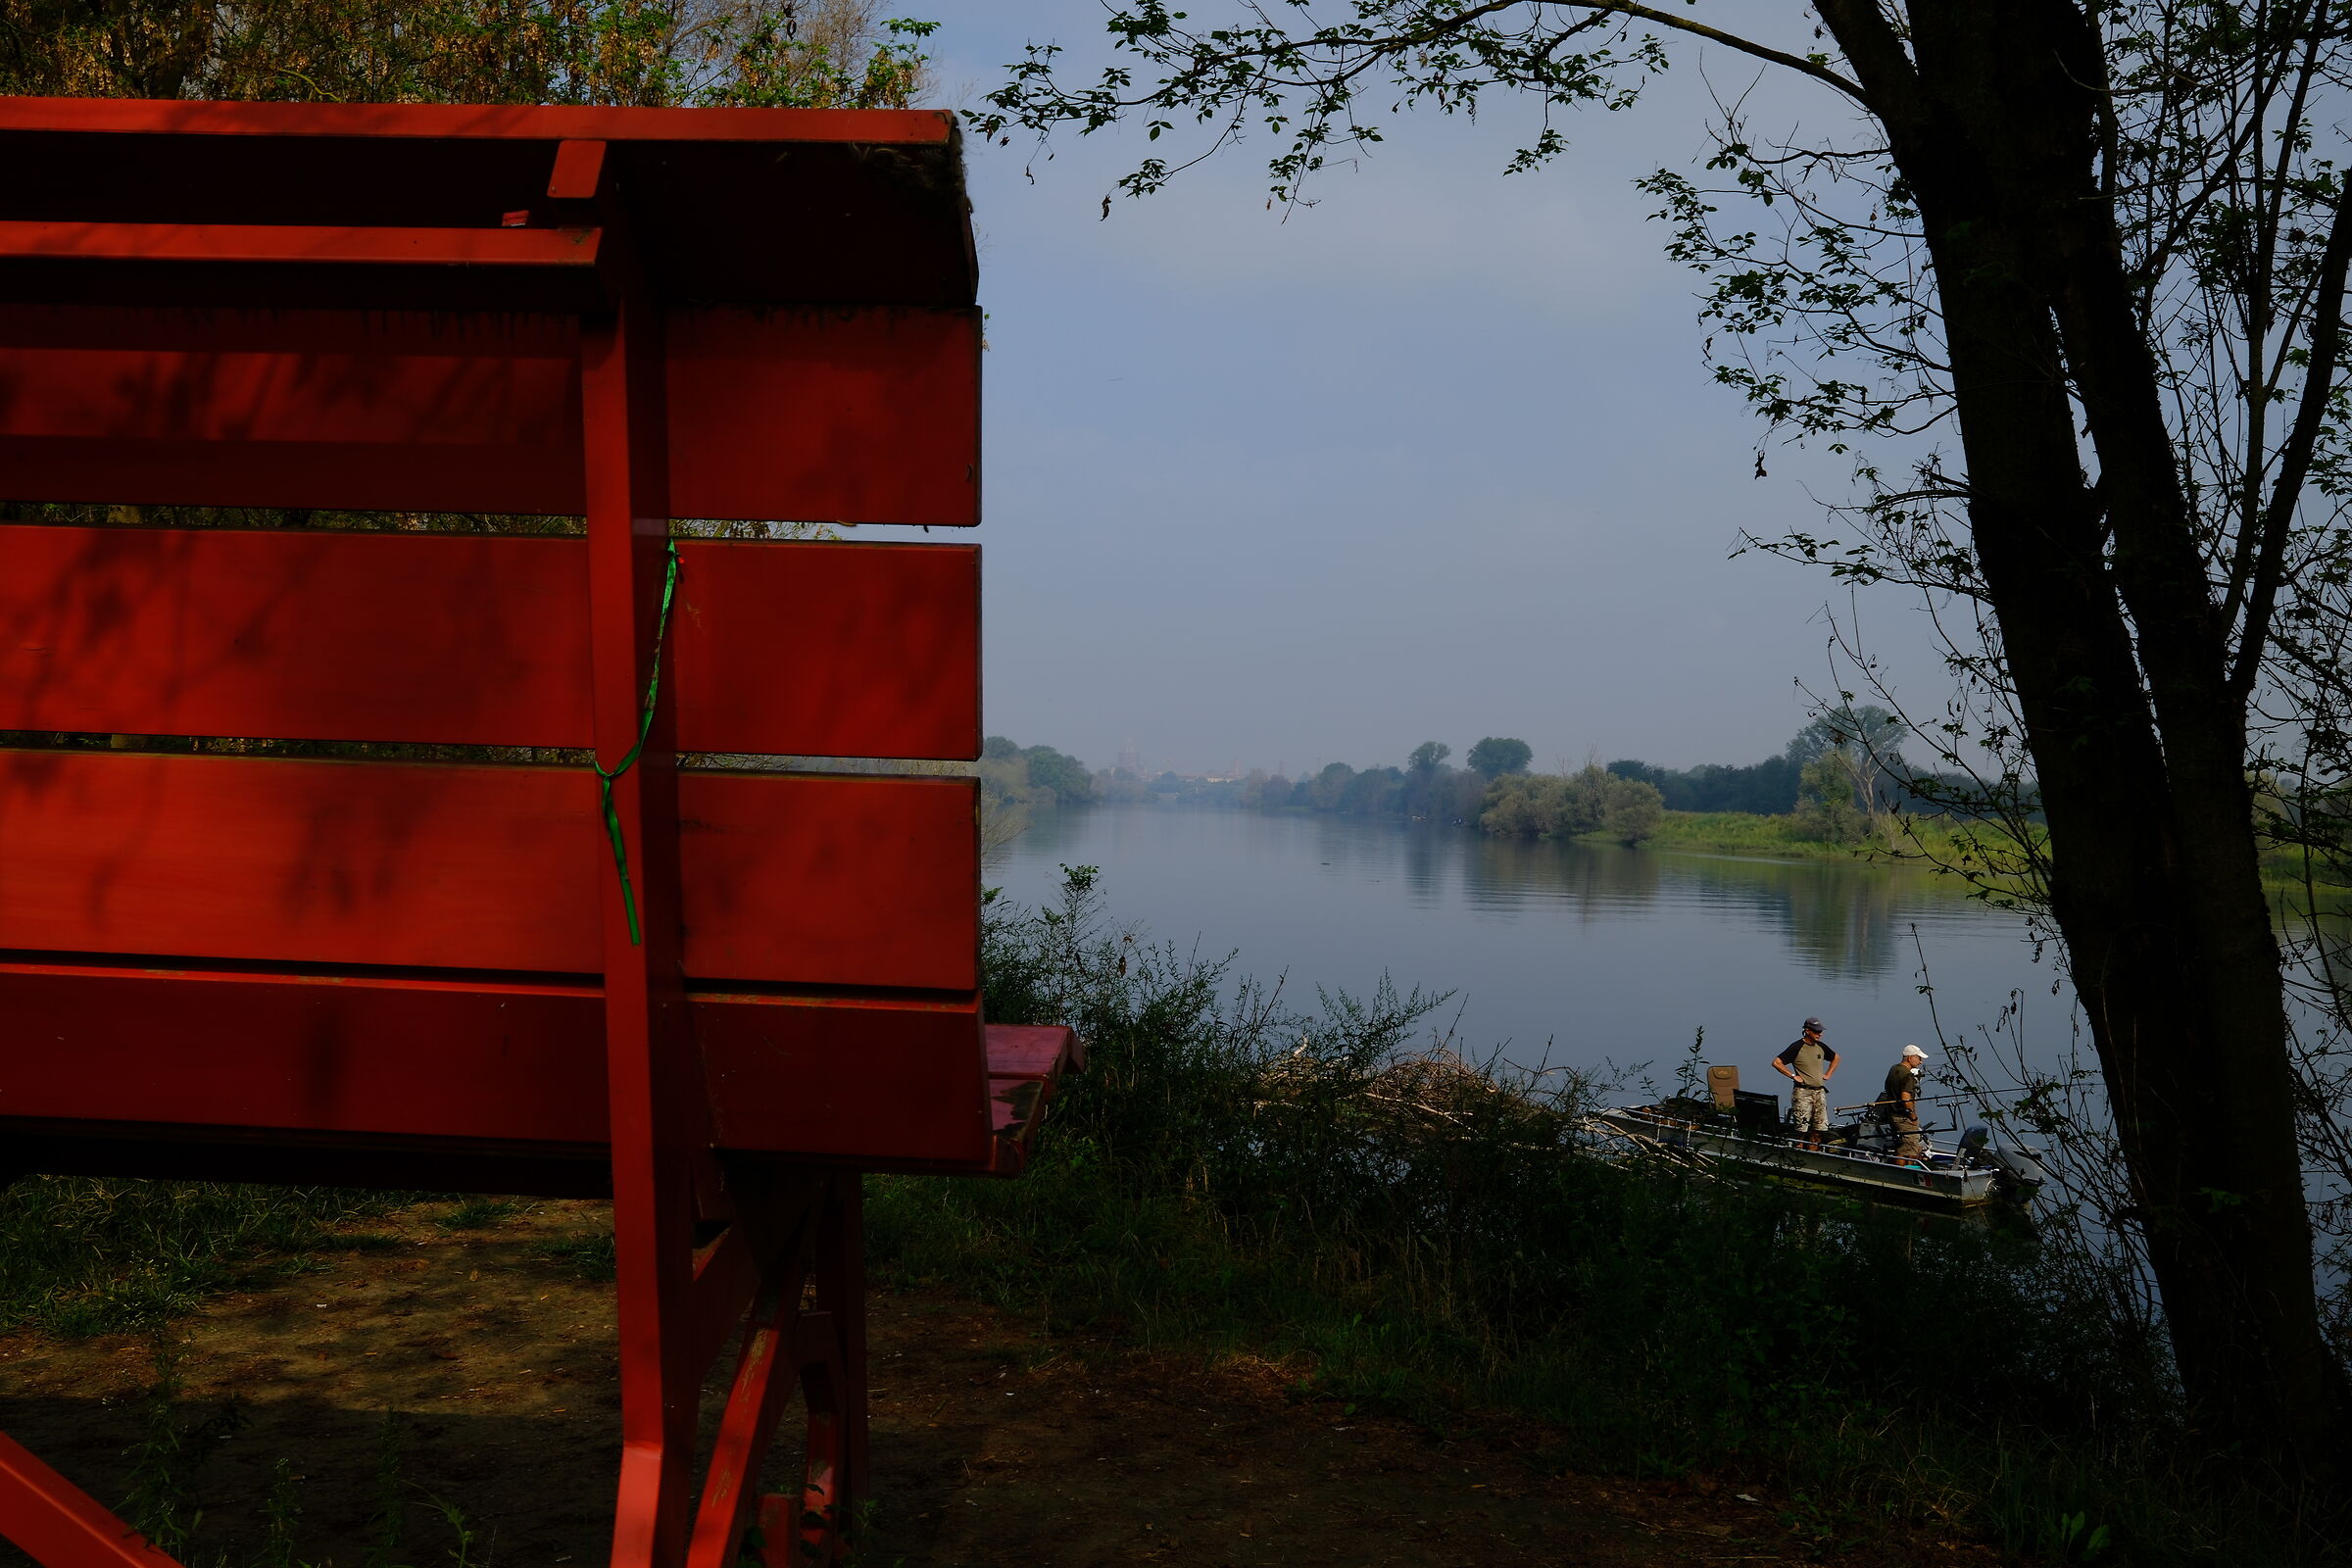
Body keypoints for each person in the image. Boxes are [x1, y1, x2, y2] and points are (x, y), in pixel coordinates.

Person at [1772, 1016, 1838, 1149]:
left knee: (1819, 1127)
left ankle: (1814, 1152)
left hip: (1819, 1092)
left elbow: (1836, 1057)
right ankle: (1799, 1151)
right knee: (1801, 1128)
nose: (1819, 1034)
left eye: (1820, 1031)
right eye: (1816, 1031)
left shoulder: (1821, 1047)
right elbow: (1776, 1063)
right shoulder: (1797, 1047)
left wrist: (1828, 1074)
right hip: (1803, 1092)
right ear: (1807, 1031)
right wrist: (1792, 1075)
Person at [1883, 1044, 1929, 1163]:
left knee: (1904, 1146)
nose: (1920, 1062)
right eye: (1919, 1058)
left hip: (1892, 1114)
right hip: (1903, 1117)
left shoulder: (1894, 1069)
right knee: (1908, 1150)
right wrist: (1912, 1116)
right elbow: (1905, 1098)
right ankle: (1903, 1174)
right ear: (1910, 1058)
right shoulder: (1908, 1075)